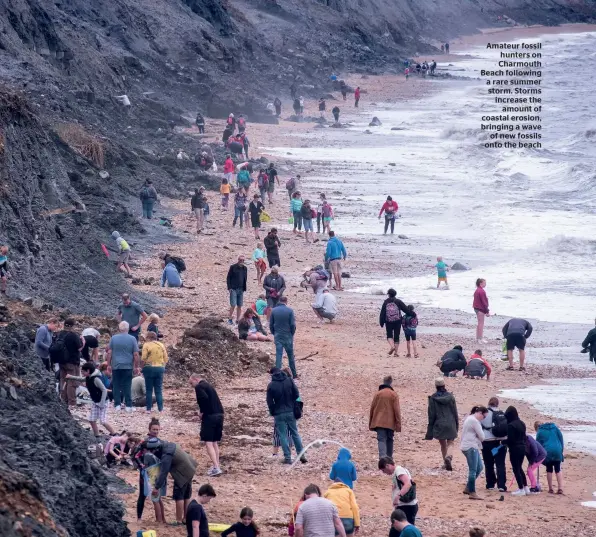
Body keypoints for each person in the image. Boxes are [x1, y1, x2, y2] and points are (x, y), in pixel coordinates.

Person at [149, 439, 198, 525]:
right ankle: (186, 519)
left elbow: (164, 472)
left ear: (157, 449)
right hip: (190, 467)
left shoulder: (167, 455)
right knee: (186, 495)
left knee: (179, 496)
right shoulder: (169, 444)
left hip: (182, 472)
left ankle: (178, 521)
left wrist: (157, 487)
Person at [266, 367, 305, 463]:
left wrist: (272, 412)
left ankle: (287, 458)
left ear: (272, 375)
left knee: (282, 435)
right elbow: (296, 394)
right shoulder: (289, 381)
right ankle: (301, 455)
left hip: (279, 413)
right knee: (295, 433)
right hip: (291, 411)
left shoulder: (271, 385)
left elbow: (269, 402)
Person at [190, 374, 225, 476]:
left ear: (195, 379)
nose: (192, 386)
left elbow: (203, 399)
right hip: (220, 415)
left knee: (208, 442)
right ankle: (216, 465)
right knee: (214, 442)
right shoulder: (209, 386)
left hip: (210, 417)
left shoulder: (199, 387)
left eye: (191, 383)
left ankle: (216, 467)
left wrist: (201, 413)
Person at [425, 378, 459, 471]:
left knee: (443, 444)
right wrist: (456, 424)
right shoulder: (451, 397)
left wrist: (430, 429)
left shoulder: (433, 398)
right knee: (451, 442)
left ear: (436, 386)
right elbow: (455, 411)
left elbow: (431, 415)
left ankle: (445, 462)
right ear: (444, 385)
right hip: (451, 422)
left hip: (439, 423)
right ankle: (449, 457)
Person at [106, 321, 141, 412]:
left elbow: (109, 352)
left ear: (119, 328)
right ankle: (128, 405)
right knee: (127, 385)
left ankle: (117, 404)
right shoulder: (132, 339)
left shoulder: (113, 338)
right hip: (128, 366)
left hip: (116, 365)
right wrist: (136, 366)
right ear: (128, 328)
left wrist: (108, 364)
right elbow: (136, 354)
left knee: (116, 385)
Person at [76, 362, 116, 437]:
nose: (82, 373)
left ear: (88, 371)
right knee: (91, 419)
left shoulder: (96, 379)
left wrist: (102, 402)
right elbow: (81, 379)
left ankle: (114, 433)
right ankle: (96, 435)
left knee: (102, 421)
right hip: (95, 401)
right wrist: (70, 377)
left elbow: (104, 390)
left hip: (103, 401)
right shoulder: (88, 377)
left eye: (83, 372)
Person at [53, 318, 85, 407]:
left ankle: (63, 399)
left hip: (61, 361)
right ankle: (72, 402)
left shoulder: (60, 334)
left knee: (63, 379)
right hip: (72, 361)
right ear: (72, 326)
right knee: (72, 381)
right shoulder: (73, 335)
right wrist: (83, 342)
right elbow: (79, 348)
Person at [378, 458, 419, 526]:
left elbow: (408, 484)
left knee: (401, 530)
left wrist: (397, 497)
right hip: (405, 505)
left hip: (406, 506)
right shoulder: (397, 472)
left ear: (387, 465)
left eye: (383, 470)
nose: (384, 472)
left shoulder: (399, 470)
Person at [369, 375, 401, 459]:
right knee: (390, 440)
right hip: (390, 422)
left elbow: (372, 408)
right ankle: (389, 458)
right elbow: (397, 411)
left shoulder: (378, 394)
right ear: (391, 383)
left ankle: (382, 458)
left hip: (379, 421)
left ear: (383, 382)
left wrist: (371, 423)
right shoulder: (394, 394)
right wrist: (398, 425)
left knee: (381, 439)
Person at [480, 397, 508, 492]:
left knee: (489, 464)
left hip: (487, 441)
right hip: (501, 442)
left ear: (488, 403)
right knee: (500, 464)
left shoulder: (484, 413)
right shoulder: (502, 413)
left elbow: (479, 426)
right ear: (497, 404)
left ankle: (490, 484)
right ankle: (501, 485)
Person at [461, 406, 488, 500]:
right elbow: (482, 437)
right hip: (471, 446)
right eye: (484, 417)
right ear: (480, 413)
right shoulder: (474, 421)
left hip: (468, 445)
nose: (483, 419)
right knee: (473, 470)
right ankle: (472, 492)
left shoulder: (469, 418)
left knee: (479, 467)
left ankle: (468, 487)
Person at [504, 406, 530, 496]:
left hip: (514, 448)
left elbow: (510, 439)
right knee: (520, 467)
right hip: (523, 447)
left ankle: (521, 488)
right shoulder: (522, 423)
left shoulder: (511, 425)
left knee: (516, 469)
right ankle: (526, 487)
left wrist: (503, 442)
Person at [269, 296, 297, 378]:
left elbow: (271, 324)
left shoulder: (273, 310)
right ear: (286, 302)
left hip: (278, 334)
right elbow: (292, 324)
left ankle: (277, 374)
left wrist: (274, 333)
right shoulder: (290, 311)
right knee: (290, 355)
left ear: (279, 301)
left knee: (278, 354)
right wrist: (292, 333)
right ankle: (294, 374)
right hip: (288, 335)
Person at [142, 331, 168, 413]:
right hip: (160, 368)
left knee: (149, 389)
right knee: (158, 389)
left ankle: (148, 409)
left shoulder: (146, 345)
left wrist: (142, 368)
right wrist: (163, 366)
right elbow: (166, 359)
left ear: (148, 338)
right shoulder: (161, 345)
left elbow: (143, 358)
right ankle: (160, 408)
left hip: (149, 368)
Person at [535, 421, 564, 494]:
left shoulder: (540, 432)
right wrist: (561, 451)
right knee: (558, 469)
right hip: (557, 450)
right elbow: (561, 439)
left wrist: (538, 456)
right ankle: (560, 488)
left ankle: (550, 488)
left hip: (547, 451)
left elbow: (537, 445)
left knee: (549, 469)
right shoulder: (555, 428)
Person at [379, 289, 408, 356]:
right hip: (397, 321)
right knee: (396, 336)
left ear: (388, 294)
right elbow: (405, 309)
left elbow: (382, 313)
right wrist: (413, 314)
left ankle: (392, 346)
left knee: (389, 335)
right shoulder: (398, 301)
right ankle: (396, 353)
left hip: (388, 321)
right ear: (395, 294)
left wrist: (381, 322)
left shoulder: (386, 302)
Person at [227, 255, 248, 325]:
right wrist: (229, 288)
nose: (241, 261)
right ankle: (230, 318)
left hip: (241, 289)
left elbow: (245, 278)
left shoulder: (245, 268)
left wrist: (244, 287)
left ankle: (238, 320)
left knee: (240, 305)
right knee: (233, 304)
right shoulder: (233, 267)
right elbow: (228, 277)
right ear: (238, 260)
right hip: (233, 289)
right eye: (240, 260)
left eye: (243, 260)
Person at [473, 279, 489, 343]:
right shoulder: (482, 291)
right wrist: (487, 311)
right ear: (480, 283)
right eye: (484, 283)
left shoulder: (477, 290)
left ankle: (478, 338)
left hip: (476, 308)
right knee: (481, 324)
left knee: (479, 323)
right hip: (480, 309)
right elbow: (484, 302)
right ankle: (480, 339)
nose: (485, 284)